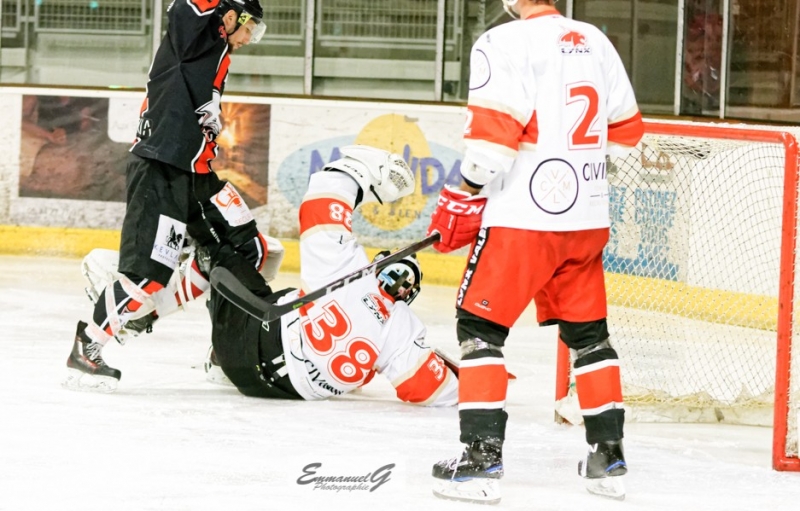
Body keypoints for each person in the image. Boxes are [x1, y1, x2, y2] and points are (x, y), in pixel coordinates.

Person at [426, 0, 645, 503]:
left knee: (480, 330)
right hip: (587, 218)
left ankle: (480, 464)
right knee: (589, 337)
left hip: (523, 219)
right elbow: (628, 135)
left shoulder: (502, 41)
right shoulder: (595, 38)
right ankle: (608, 459)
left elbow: (494, 137)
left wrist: (467, 189)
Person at [64, 0, 269, 392]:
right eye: (250, 28)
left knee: (248, 248)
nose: (250, 39)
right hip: (160, 170)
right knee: (148, 275)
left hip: (197, 173)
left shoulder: (219, 49)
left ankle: (223, 351)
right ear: (230, 16)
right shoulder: (192, 31)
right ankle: (87, 347)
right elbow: (188, 6)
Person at [203, 145, 459, 405]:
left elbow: (322, 202)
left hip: (237, 348)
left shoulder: (347, 273)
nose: (398, 284)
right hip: (278, 388)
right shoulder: (399, 326)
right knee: (286, 296)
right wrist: (474, 376)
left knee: (240, 249)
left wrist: (368, 170)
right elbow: (432, 389)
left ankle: (210, 352)